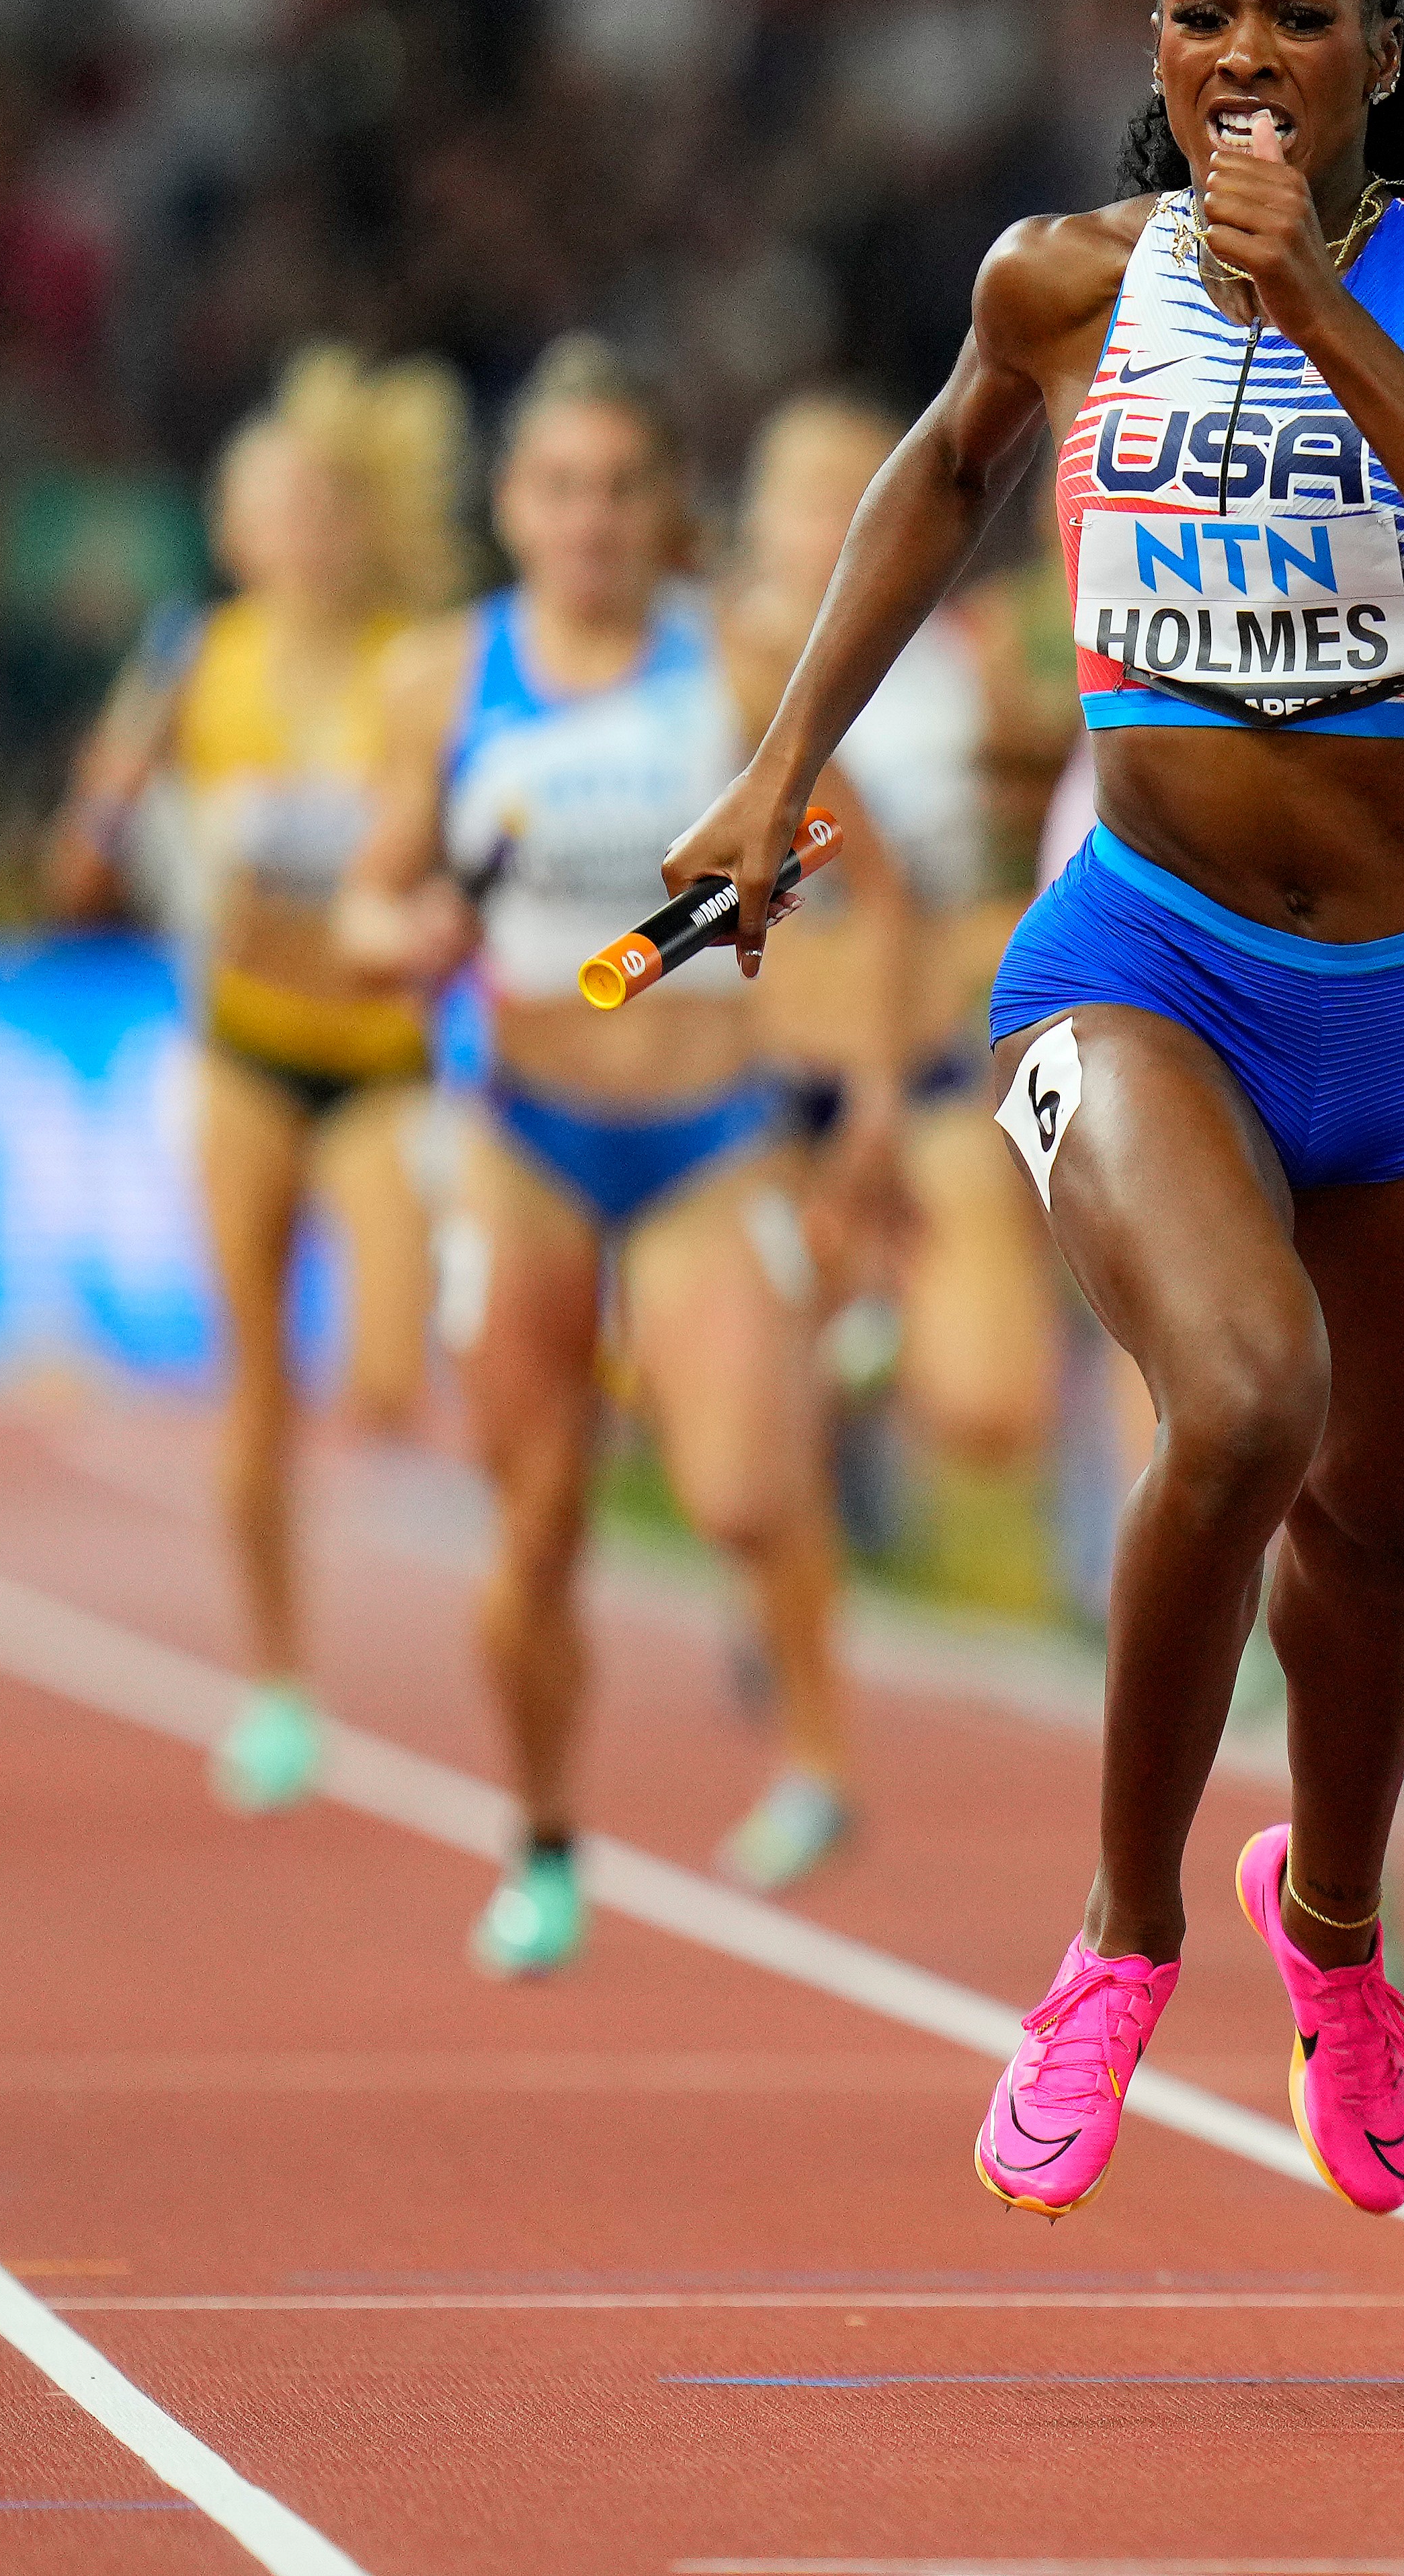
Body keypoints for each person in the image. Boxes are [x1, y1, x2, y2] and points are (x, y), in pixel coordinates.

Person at [658, 0, 1404, 2222]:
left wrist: (1331, 322)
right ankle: (1117, 1935)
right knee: (1246, 1398)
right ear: (1157, 44)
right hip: (1146, 958)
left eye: (1298, 17)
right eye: (1203, 12)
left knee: (1387, 1537)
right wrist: (782, 770)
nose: (1243, 57)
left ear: (1376, 65)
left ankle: (1339, 1931)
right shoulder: (1063, 280)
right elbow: (940, 468)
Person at [339, 337, 913, 1973]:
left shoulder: (735, 666)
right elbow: (374, 901)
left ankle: (814, 1752)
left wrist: (868, 1097)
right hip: (521, 1137)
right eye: (562, 486)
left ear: (667, 512)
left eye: (621, 488)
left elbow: (864, 877)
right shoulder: (444, 680)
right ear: (515, 507)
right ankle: (539, 1840)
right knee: (536, 1529)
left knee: (740, 1483)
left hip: (707, 1142)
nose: (591, 517)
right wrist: (413, 926)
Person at [46, 346, 470, 1817]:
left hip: (382, 1060)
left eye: (327, 507)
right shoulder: (191, 661)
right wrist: (101, 831)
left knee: (383, 1373)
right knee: (255, 1388)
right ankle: (282, 1687)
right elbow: (80, 855)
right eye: (276, 508)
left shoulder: (419, 664)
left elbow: (470, 829)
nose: (303, 534)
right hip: (242, 1048)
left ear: (363, 524)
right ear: (238, 531)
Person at [725, 395, 1073, 1585]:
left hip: (924, 1056)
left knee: (991, 1409)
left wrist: (995, 931)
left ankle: (863, 1388)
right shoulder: (692, 668)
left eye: (856, 494)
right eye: (805, 498)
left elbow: (1041, 861)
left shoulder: (970, 665)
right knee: (750, 1413)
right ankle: (809, 1419)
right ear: (756, 523)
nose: (832, 523)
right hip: (751, 1076)